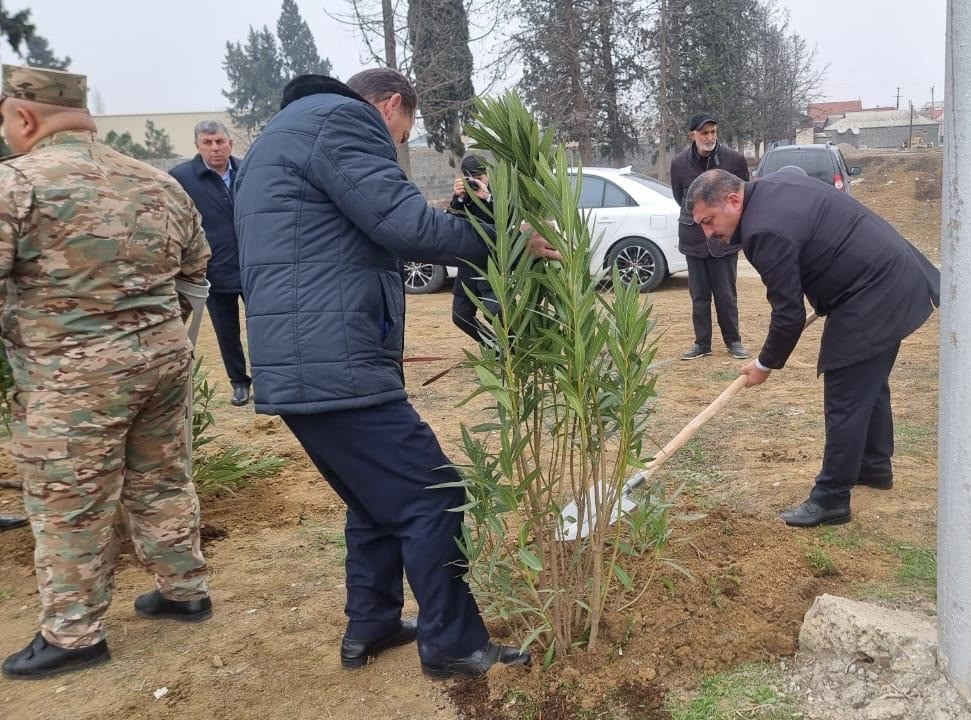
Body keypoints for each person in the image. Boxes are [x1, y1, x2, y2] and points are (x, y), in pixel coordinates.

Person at [235, 69, 557, 679]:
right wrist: (505, 239)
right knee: (434, 496)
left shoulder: (277, 138)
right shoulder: (342, 121)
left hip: (300, 363)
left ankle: (373, 623)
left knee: (374, 499)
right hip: (337, 363)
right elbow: (404, 226)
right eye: (404, 132)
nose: (400, 144)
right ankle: (454, 644)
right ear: (389, 105)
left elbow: (345, 227)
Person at [0, 65, 213, 680]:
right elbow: (198, 267)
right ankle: (184, 589)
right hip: (161, 361)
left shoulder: (17, 184)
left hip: (70, 379)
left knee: (71, 502)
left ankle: (73, 633)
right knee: (163, 477)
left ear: (24, 117)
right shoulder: (157, 182)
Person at [686, 168, 940, 528]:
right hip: (893, 274)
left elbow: (788, 314)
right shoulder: (777, 186)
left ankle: (832, 498)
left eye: (709, 221)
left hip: (875, 289)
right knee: (867, 382)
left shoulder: (762, 231)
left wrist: (764, 364)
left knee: (846, 394)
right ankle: (874, 465)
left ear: (732, 200)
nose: (708, 233)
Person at [170, 120, 251, 406]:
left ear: (230, 142)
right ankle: (239, 382)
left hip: (255, 267)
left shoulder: (249, 171)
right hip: (214, 270)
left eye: (220, 141)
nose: (215, 148)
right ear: (198, 146)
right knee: (226, 332)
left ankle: (268, 380)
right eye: (208, 142)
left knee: (264, 330)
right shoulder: (181, 178)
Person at [669, 113, 751, 361]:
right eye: (704, 133)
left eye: (713, 132)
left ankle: (733, 341)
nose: (710, 137)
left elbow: (744, 195)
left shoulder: (734, 160)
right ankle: (702, 343)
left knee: (726, 295)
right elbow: (679, 197)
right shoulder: (679, 163)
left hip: (724, 238)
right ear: (692, 135)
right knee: (699, 296)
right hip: (693, 238)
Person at [448, 154, 500, 347]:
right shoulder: (463, 198)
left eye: (480, 176)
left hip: (492, 265)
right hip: (468, 265)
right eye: (471, 178)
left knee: (495, 312)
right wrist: (460, 198)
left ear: (488, 174)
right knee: (460, 316)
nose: (476, 181)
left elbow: (507, 221)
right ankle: (495, 348)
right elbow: (452, 223)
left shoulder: (498, 193)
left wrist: (487, 197)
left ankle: (517, 351)